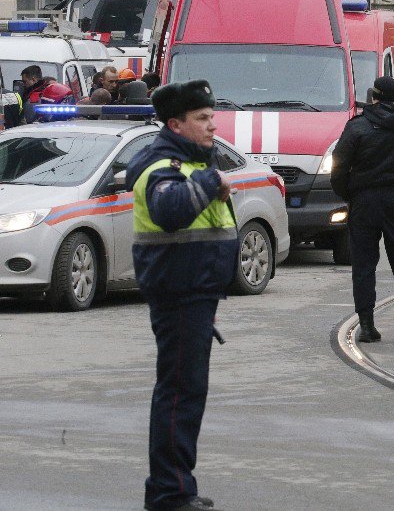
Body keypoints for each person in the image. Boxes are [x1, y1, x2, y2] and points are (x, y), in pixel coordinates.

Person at [125, 80, 237, 511]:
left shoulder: (188, 162)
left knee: (185, 393)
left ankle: (174, 487)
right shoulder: (161, 166)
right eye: (202, 119)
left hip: (195, 292)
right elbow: (170, 212)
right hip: (179, 294)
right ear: (176, 123)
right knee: (178, 394)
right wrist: (211, 180)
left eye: (212, 116)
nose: (212, 126)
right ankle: (169, 493)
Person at [329, 76, 394, 344]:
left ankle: (367, 325)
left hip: (365, 200)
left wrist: (349, 192)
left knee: (363, 264)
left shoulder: (357, 127)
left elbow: (339, 164)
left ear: (374, 95)